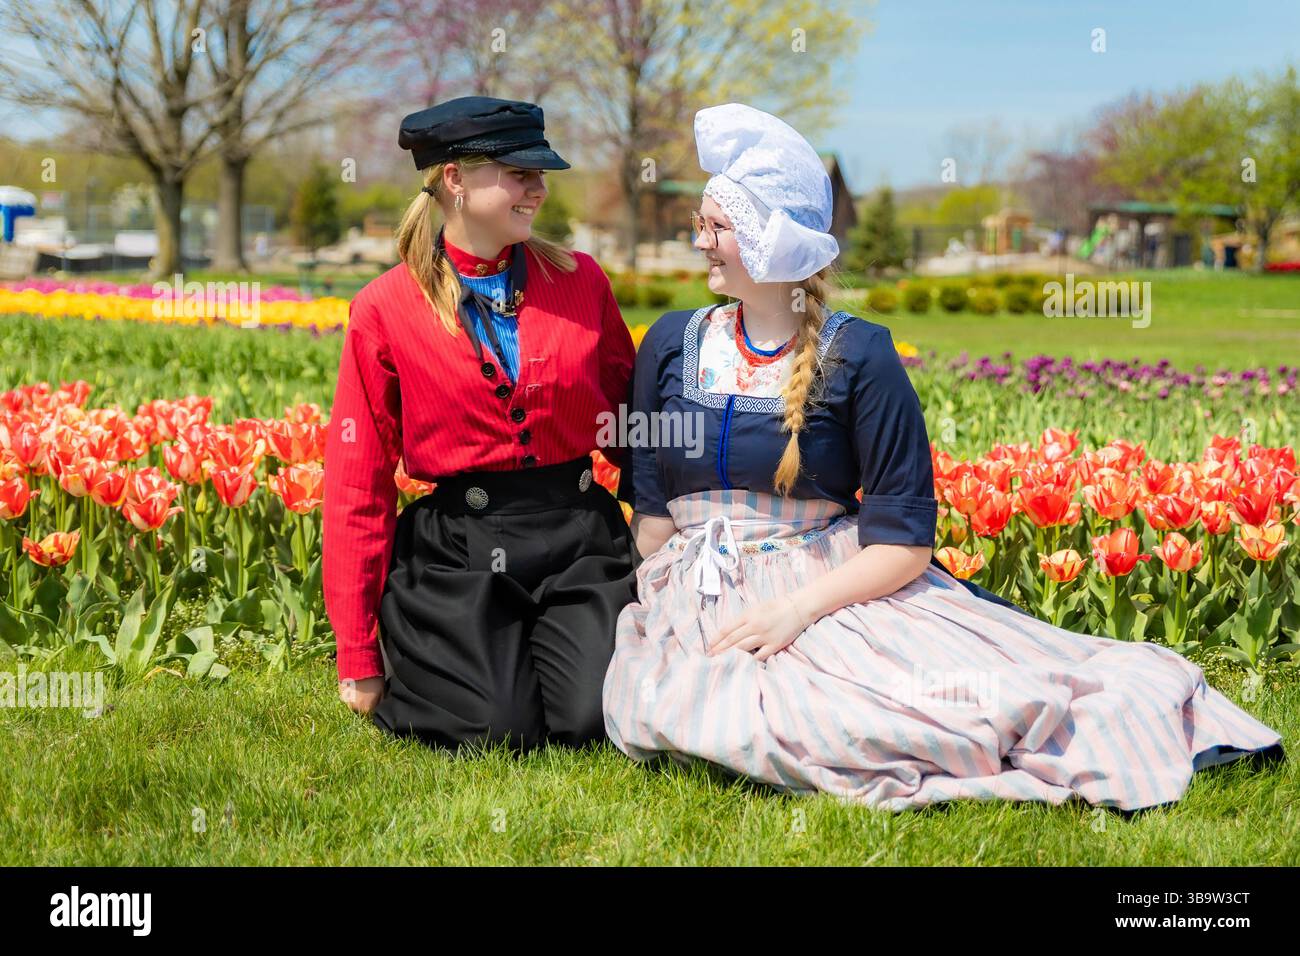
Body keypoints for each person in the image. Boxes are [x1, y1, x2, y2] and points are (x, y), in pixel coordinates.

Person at [601, 102, 1284, 812]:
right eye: (702, 225)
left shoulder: (859, 353)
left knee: (878, 718)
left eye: (718, 227)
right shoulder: (671, 341)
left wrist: (793, 612)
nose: (700, 242)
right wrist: (648, 598)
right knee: (680, 704)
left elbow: (902, 542)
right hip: (693, 583)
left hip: (817, 580)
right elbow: (652, 509)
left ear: (771, 241)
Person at [323, 96, 639, 753]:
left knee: (591, 718)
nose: (538, 189)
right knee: (497, 731)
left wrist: (669, 534)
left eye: (541, 174)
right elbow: (358, 486)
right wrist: (357, 654)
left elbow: (632, 423)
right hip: (462, 550)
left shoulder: (580, 282)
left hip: (580, 537)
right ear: (454, 180)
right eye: (518, 172)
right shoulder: (383, 309)